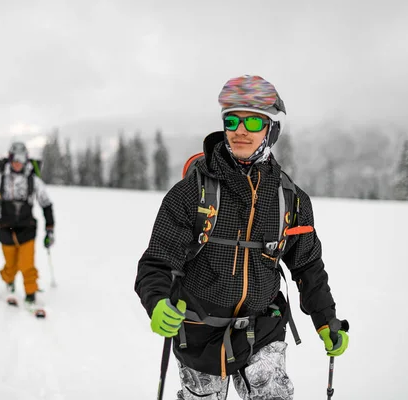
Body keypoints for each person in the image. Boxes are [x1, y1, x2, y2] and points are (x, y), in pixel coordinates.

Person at [135, 75, 349, 399]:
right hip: (198, 329)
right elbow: (159, 260)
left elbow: (307, 267)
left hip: (262, 327)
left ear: (271, 129)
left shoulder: (290, 199)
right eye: (232, 120)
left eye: (252, 120)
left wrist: (326, 319)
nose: (240, 130)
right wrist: (158, 300)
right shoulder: (192, 192)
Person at [0, 142, 55, 307]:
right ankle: (9, 284)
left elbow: (46, 204)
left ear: (26, 160)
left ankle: (31, 294)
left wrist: (50, 229)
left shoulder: (33, 180)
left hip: (27, 228)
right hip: (5, 228)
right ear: (10, 158)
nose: (18, 162)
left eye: (21, 158)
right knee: (11, 264)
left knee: (27, 264)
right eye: (15, 158)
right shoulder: (0, 178)